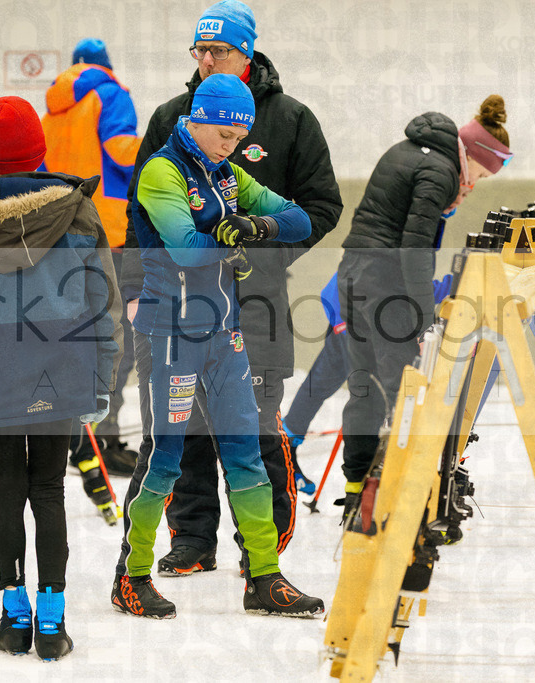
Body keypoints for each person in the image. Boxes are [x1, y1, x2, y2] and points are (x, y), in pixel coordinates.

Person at [121, 0, 342, 577]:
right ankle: (191, 540)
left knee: (254, 429)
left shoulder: (291, 119)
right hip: (178, 305)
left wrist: (264, 243)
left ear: (247, 56)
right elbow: (136, 215)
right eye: (200, 51)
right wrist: (133, 286)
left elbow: (321, 208)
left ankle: (260, 554)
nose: (207, 60)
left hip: (256, 303)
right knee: (181, 430)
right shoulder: (172, 118)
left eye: (219, 51)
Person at [0, 96, 123, 660]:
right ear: (41, 150)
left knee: (8, 493)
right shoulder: (78, 212)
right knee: (50, 493)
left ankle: (15, 621)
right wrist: (102, 377)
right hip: (60, 369)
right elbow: (103, 304)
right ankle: (54, 625)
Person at [337, 95, 513, 511]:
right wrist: (423, 314)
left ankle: (356, 490)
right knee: (405, 388)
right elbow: (415, 249)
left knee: (365, 387)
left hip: (354, 273)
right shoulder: (441, 170)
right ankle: (401, 492)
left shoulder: (417, 152)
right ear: (473, 157)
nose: (472, 187)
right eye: (481, 176)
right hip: (383, 283)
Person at [43, 38, 142, 471]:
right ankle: (103, 439)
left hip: (64, 235)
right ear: (106, 65)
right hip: (111, 234)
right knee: (115, 341)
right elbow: (122, 150)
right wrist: (165, 150)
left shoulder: (52, 108)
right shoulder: (111, 95)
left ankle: (69, 438)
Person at [282, 272, 454, 494]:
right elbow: (411, 282)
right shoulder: (402, 247)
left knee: (323, 383)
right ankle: (291, 454)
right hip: (353, 313)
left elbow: (409, 284)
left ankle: (284, 451)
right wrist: (453, 283)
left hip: (351, 308)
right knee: (364, 392)